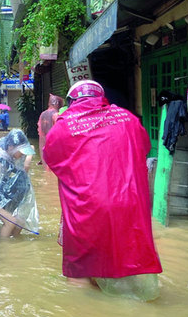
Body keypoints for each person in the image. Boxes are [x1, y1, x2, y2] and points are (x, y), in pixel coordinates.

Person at [44, 80, 162, 301]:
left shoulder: (64, 124)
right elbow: (143, 148)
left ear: (72, 101)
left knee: (81, 271)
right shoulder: (128, 118)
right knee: (129, 258)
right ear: (102, 97)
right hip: (130, 203)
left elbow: (52, 159)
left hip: (87, 207)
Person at [37, 94, 64, 166]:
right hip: (54, 148)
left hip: (44, 148)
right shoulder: (56, 115)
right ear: (58, 104)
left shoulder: (42, 114)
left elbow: (41, 133)